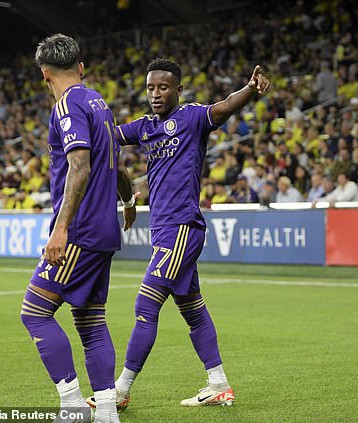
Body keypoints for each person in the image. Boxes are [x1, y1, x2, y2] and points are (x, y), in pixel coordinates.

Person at [93, 58, 269, 409]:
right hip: (164, 231)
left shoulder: (189, 118)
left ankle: (120, 391)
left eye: (163, 87)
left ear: (178, 90)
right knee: (192, 309)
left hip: (181, 228)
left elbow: (221, 109)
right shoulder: (144, 127)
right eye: (150, 88)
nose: (155, 94)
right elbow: (107, 138)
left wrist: (250, 90)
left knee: (145, 304)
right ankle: (218, 383)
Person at [20, 34, 136, 423]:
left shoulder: (67, 105)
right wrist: (129, 201)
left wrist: (61, 229)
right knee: (90, 320)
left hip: (80, 232)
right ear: (81, 68)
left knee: (34, 312)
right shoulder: (99, 102)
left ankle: (71, 406)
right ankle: (105, 412)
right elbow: (118, 166)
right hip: (103, 231)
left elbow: (80, 165)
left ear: (44, 74)